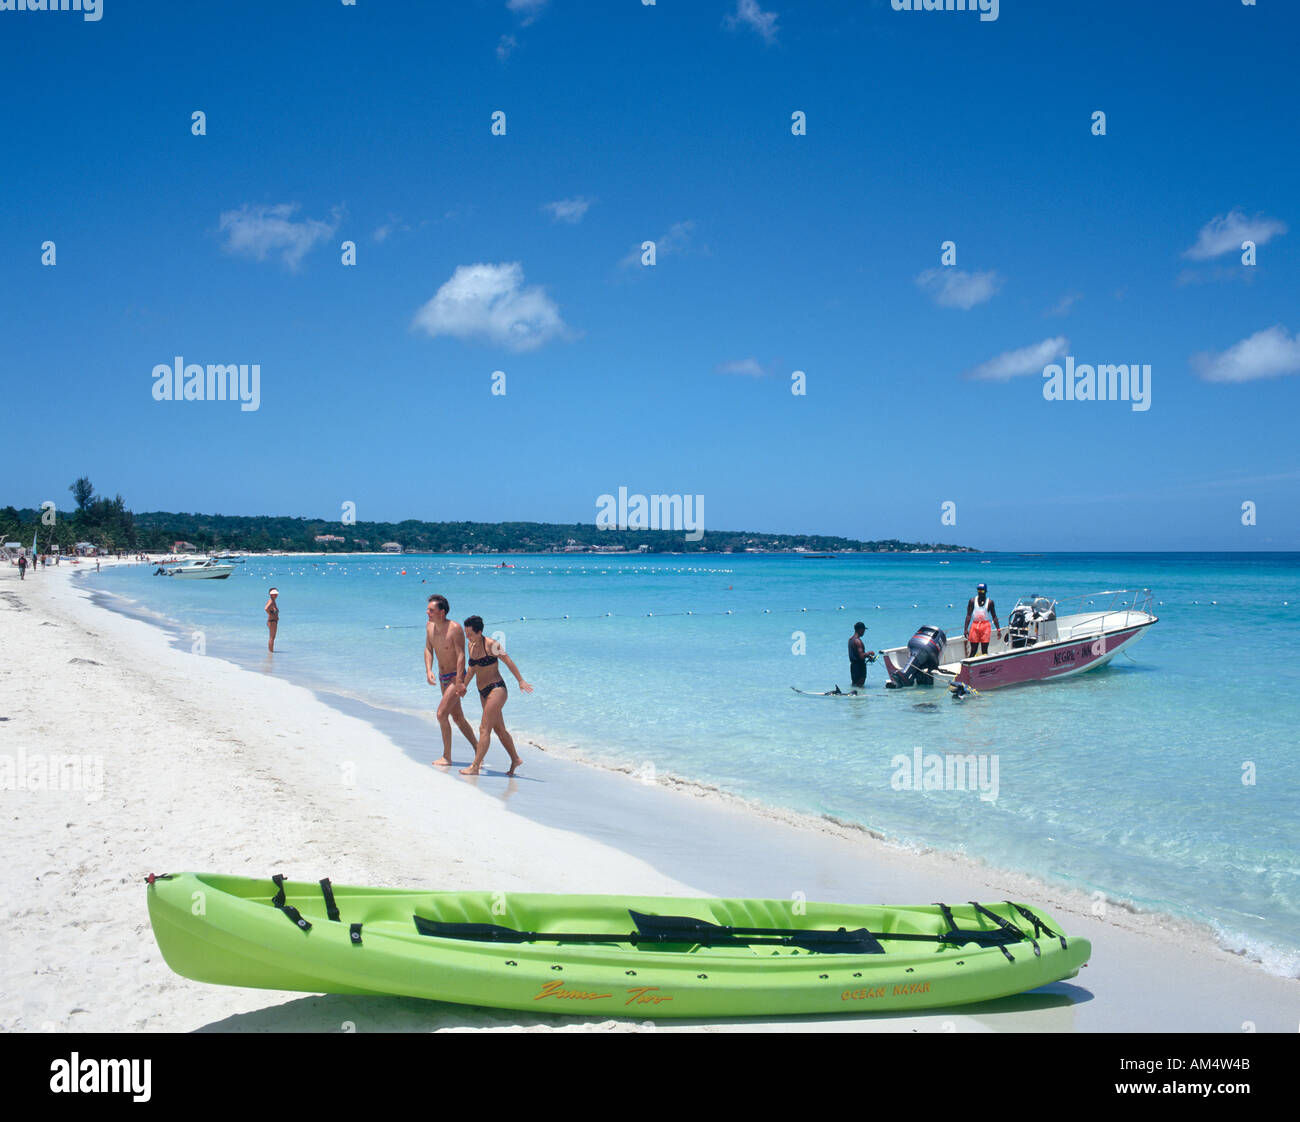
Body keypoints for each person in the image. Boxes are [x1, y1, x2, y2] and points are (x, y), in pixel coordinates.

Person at [458, 615, 532, 776]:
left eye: (470, 633)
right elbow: (472, 668)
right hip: (482, 691)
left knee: (484, 728)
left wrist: (521, 681)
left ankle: (475, 766)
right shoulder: (471, 645)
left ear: (479, 632)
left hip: (496, 689)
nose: (467, 636)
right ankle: (515, 759)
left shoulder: (492, 645)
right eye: (466, 633)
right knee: (499, 729)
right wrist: (464, 685)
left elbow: (508, 661)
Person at [424, 594, 480, 767]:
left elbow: (461, 655)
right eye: (428, 610)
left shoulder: (454, 628)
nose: (427, 613)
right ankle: (480, 750)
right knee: (457, 717)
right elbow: (428, 648)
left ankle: (447, 757)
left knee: (441, 714)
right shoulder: (429, 626)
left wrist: (460, 682)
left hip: (455, 676)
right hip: (442, 677)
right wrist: (428, 670)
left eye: (431, 610)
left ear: (442, 612)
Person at [964, 582, 1001, 656]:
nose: (980, 592)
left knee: (984, 650)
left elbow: (994, 616)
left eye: (982, 591)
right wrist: (965, 629)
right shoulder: (972, 601)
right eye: (979, 590)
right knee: (973, 649)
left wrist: (998, 629)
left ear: (986, 591)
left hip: (985, 626)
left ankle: (984, 665)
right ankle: (970, 665)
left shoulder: (990, 602)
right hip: (975, 625)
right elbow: (968, 615)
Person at [848, 622, 875, 688]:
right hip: (859, 667)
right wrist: (869, 653)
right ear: (860, 630)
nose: (864, 632)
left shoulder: (850, 639)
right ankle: (860, 697)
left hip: (853, 666)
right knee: (860, 685)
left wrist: (868, 656)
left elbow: (856, 654)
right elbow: (861, 656)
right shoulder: (858, 641)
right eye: (863, 630)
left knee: (854, 684)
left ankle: (854, 696)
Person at [265, 587, 279, 652]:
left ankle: (271, 652)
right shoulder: (271, 601)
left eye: (276, 594)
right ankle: (271, 653)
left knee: (272, 637)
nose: (276, 595)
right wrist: (271, 614)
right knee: (272, 638)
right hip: (272, 621)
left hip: (272, 621)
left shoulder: (272, 601)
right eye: (274, 594)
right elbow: (266, 608)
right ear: (271, 594)